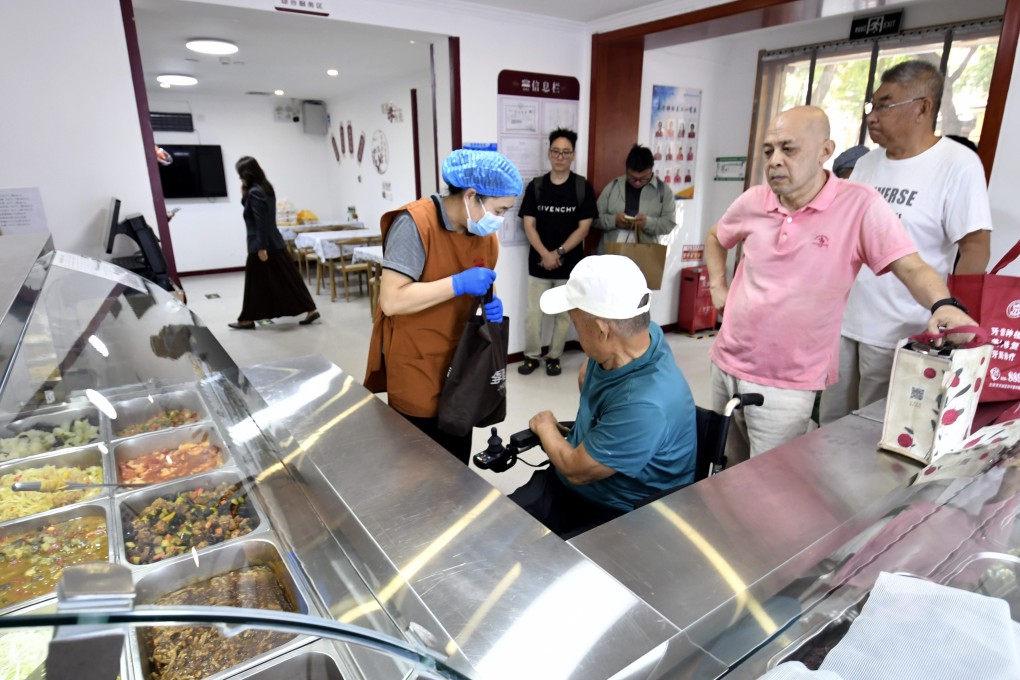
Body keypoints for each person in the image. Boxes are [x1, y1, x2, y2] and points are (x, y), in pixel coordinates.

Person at [705, 106, 977, 462]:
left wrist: (945, 305)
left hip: (787, 380)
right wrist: (717, 286)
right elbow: (716, 236)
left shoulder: (859, 206)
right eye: (768, 150)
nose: (774, 160)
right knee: (721, 470)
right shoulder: (755, 200)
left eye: (789, 149)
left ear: (825, 151)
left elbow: (911, 267)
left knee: (765, 484)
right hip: (726, 361)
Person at [820, 61, 992, 424]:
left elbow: (975, 245)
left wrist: (952, 310)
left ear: (922, 108)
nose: (872, 116)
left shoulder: (957, 164)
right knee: (830, 423)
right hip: (845, 321)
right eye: (872, 106)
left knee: (875, 428)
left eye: (884, 105)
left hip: (903, 329)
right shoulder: (867, 164)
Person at [508, 255, 697, 539]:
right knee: (494, 530)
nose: (575, 331)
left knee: (524, 558)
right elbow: (587, 374)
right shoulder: (641, 336)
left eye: (575, 322)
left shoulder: (644, 404)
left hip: (617, 510)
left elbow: (575, 470)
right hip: (576, 483)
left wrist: (545, 425)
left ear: (601, 330)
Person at [364, 149, 522, 465]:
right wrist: (457, 284)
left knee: (455, 461)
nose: (501, 220)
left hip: (463, 363)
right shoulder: (415, 225)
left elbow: (483, 286)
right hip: (417, 361)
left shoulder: (484, 235)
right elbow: (392, 300)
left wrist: (490, 304)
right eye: (499, 209)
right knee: (417, 464)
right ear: (473, 195)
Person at [518, 128, 598, 377]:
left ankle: (554, 357)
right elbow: (528, 225)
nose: (560, 156)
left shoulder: (582, 187)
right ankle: (531, 356)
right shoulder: (537, 186)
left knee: (564, 315)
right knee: (534, 314)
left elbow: (584, 228)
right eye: (555, 151)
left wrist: (559, 252)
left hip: (569, 263)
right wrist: (546, 253)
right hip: (539, 262)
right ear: (549, 153)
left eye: (565, 152)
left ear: (573, 155)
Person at [229, 156, 318, 330]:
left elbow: (260, 221)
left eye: (240, 174)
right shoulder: (265, 188)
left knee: (254, 285)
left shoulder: (255, 192)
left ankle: (246, 319)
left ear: (247, 174)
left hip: (262, 246)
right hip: (275, 242)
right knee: (289, 279)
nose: (240, 178)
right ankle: (310, 309)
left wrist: (261, 247)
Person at [594, 144, 677, 253]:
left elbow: (669, 224)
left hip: (645, 254)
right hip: (612, 252)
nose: (637, 182)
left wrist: (648, 223)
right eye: (632, 178)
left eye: (643, 179)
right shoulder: (613, 186)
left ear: (651, 171)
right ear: (627, 169)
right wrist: (614, 220)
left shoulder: (664, 191)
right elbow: (594, 218)